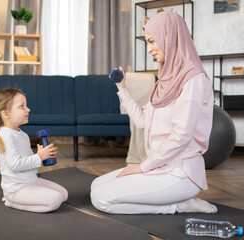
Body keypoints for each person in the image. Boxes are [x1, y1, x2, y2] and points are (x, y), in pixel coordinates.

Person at [90, 11, 217, 214]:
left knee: (101, 199)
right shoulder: (165, 81)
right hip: (158, 167)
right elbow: (142, 121)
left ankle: (177, 206)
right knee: (96, 185)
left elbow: (181, 137)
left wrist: (141, 167)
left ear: (170, 37)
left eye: (152, 41)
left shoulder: (194, 80)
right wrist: (122, 87)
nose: (149, 50)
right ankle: (174, 202)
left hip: (179, 173)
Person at [0, 88, 68, 213]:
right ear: (6, 114)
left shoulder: (22, 134)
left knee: (64, 194)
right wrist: (39, 157)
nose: (28, 109)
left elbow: (28, 162)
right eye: (22, 106)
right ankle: (12, 202)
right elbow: (15, 165)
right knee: (55, 200)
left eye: (26, 105)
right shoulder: (6, 135)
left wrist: (42, 155)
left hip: (31, 181)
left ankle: (24, 199)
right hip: (17, 189)